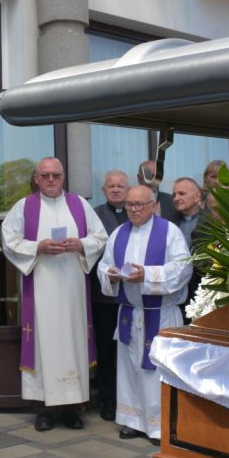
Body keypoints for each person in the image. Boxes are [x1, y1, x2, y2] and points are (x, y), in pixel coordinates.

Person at [1, 157, 107, 432]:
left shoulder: (80, 204)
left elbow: (100, 237)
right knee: (44, 343)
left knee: (72, 342)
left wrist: (80, 244)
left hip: (73, 290)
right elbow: (9, 240)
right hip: (41, 289)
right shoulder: (25, 206)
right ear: (36, 178)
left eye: (55, 175)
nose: (50, 180)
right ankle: (44, 409)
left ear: (63, 177)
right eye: (45, 175)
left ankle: (72, 409)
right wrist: (39, 247)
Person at [98, 184, 192, 447]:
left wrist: (147, 275)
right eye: (129, 204)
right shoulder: (118, 233)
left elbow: (183, 268)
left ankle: (159, 425)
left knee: (156, 371)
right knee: (130, 369)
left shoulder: (169, 232)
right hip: (130, 312)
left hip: (159, 314)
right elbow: (104, 265)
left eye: (139, 204)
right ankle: (133, 421)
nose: (133, 209)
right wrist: (111, 274)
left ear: (153, 205)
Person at [90, 170, 129, 421]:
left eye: (120, 186)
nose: (115, 190)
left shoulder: (137, 213)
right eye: (110, 186)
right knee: (106, 349)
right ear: (103, 191)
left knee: (128, 351)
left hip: (134, 297)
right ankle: (107, 400)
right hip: (104, 297)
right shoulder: (94, 215)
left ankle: (128, 401)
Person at [170, 177, 203, 245]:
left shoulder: (210, 222)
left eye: (182, 194)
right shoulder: (170, 223)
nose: (176, 198)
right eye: (174, 195)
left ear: (197, 196)